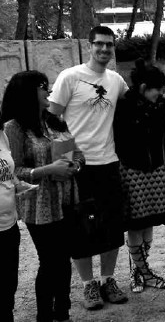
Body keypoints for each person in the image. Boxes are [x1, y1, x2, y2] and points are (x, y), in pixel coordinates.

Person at [48, 25, 129, 310]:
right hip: (78, 168)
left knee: (112, 225)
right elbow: (52, 119)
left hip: (109, 163)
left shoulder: (116, 80)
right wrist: (68, 152)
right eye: (99, 44)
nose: (104, 49)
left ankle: (108, 280)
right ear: (89, 45)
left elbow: (133, 109)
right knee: (80, 228)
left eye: (109, 45)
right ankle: (88, 285)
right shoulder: (70, 77)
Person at [2, 71, 84, 322]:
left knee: (64, 259)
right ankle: (45, 315)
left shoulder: (55, 120)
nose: (48, 91)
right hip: (39, 205)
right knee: (50, 260)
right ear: (28, 92)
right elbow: (13, 172)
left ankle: (63, 311)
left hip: (67, 198)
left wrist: (74, 166)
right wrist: (48, 170)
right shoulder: (13, 128)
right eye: (42, 87)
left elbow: (77, 152)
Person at [114, 59, 165, 292]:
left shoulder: (158, 104)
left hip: (155, 168)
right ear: (142, 88)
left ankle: (138, 271)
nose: (159, 93)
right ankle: (146, 274)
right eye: (155, 89)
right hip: (132, 169)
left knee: (150, 222)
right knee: (136, 224)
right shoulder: (124, 107)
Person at [0, 121, 37, 322]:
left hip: (9, 224)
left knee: (8, 284)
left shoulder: (2, 135)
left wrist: (18, 184)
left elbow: (8, 172)